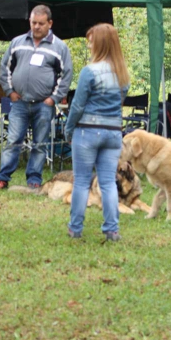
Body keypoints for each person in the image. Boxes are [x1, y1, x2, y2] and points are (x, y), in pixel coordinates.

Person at [0, 5, 73, 190]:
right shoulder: (17, 42)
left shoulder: (59, 47)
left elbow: (66, 75)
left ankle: (34, 180)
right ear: (29, 21)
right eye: (33, 22)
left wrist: (54, 98)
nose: (36, 27)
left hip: (44, 105)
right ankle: (2, 178)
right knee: (13, 141)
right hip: (19, 103)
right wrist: (10, 91)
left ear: (50, 23)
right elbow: (5, 69)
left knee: (40, 144)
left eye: (41, 23)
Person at [64, 23, 130, 241]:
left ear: (100, 43)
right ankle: (112, 230)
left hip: (87, 133)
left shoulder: (89, 72)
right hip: (113, 134)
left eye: (91, 40)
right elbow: (120, 102)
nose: (89, 44)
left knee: (82, 182)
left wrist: (69, 128)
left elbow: (78, 106)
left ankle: (75, 228)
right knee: (108, 182)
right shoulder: (122, 73)